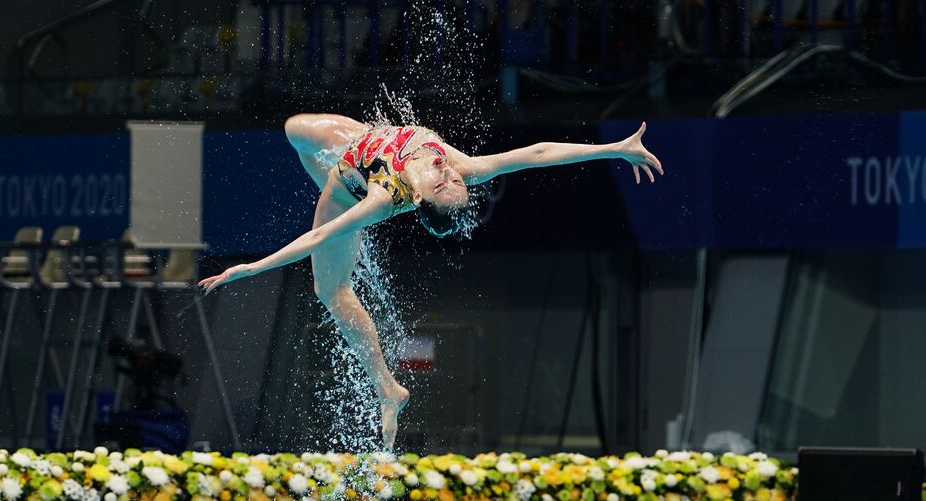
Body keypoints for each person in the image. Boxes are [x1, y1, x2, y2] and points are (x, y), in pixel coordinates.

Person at [199, 114, 664, 448]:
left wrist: (251, 268)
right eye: (454, 180)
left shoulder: (381, 198)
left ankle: (387, 387)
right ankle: (326, 168)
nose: (448, 171)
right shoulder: (457, 165)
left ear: (420, 198)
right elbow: (536, 153)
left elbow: (317, 234)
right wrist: (613, 149)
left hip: (345, 188)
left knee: (331, 291)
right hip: (361, 140)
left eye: (446, 181)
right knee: (293, 128)